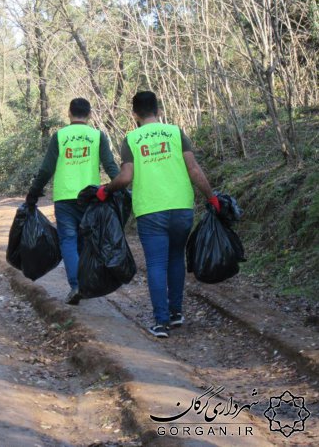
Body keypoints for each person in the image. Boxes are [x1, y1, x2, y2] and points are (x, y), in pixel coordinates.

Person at [101, 91, 220, 338]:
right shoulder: (176, 133)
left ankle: (161, 322)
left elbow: (125, 178)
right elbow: (194, 169)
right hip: (181, 208)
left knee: (156, 264)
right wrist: (211, 197)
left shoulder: (131, 139)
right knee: (175, 259)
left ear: (134, 114)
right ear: (159, 110)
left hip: (151, 210)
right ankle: (176, 313)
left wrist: (105, 190)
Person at [25, 98, 120, 305]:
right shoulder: (97, 136)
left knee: (68, 240)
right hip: (90, 198)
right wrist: (122, 187)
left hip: (65, 198)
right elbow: (110, 165)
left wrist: (33, 193)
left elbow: (47, 169)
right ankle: (85, 283)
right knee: (85, 242)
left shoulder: (60, 136)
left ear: (69, 113)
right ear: (89, 115)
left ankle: (76, 285)